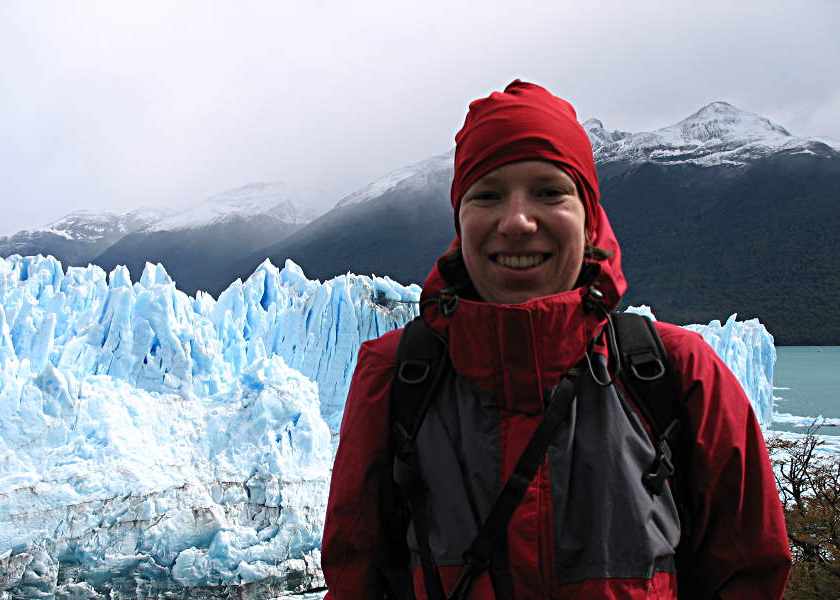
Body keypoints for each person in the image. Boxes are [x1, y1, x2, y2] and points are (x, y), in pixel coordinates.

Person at [321, 80, 790, 599]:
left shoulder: (678, 373)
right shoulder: (396, 377)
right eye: (488, 194)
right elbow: (355, 578)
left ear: (589, 218)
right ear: (460, 218)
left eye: (550, 191)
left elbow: (748, 575)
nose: (518, 221)